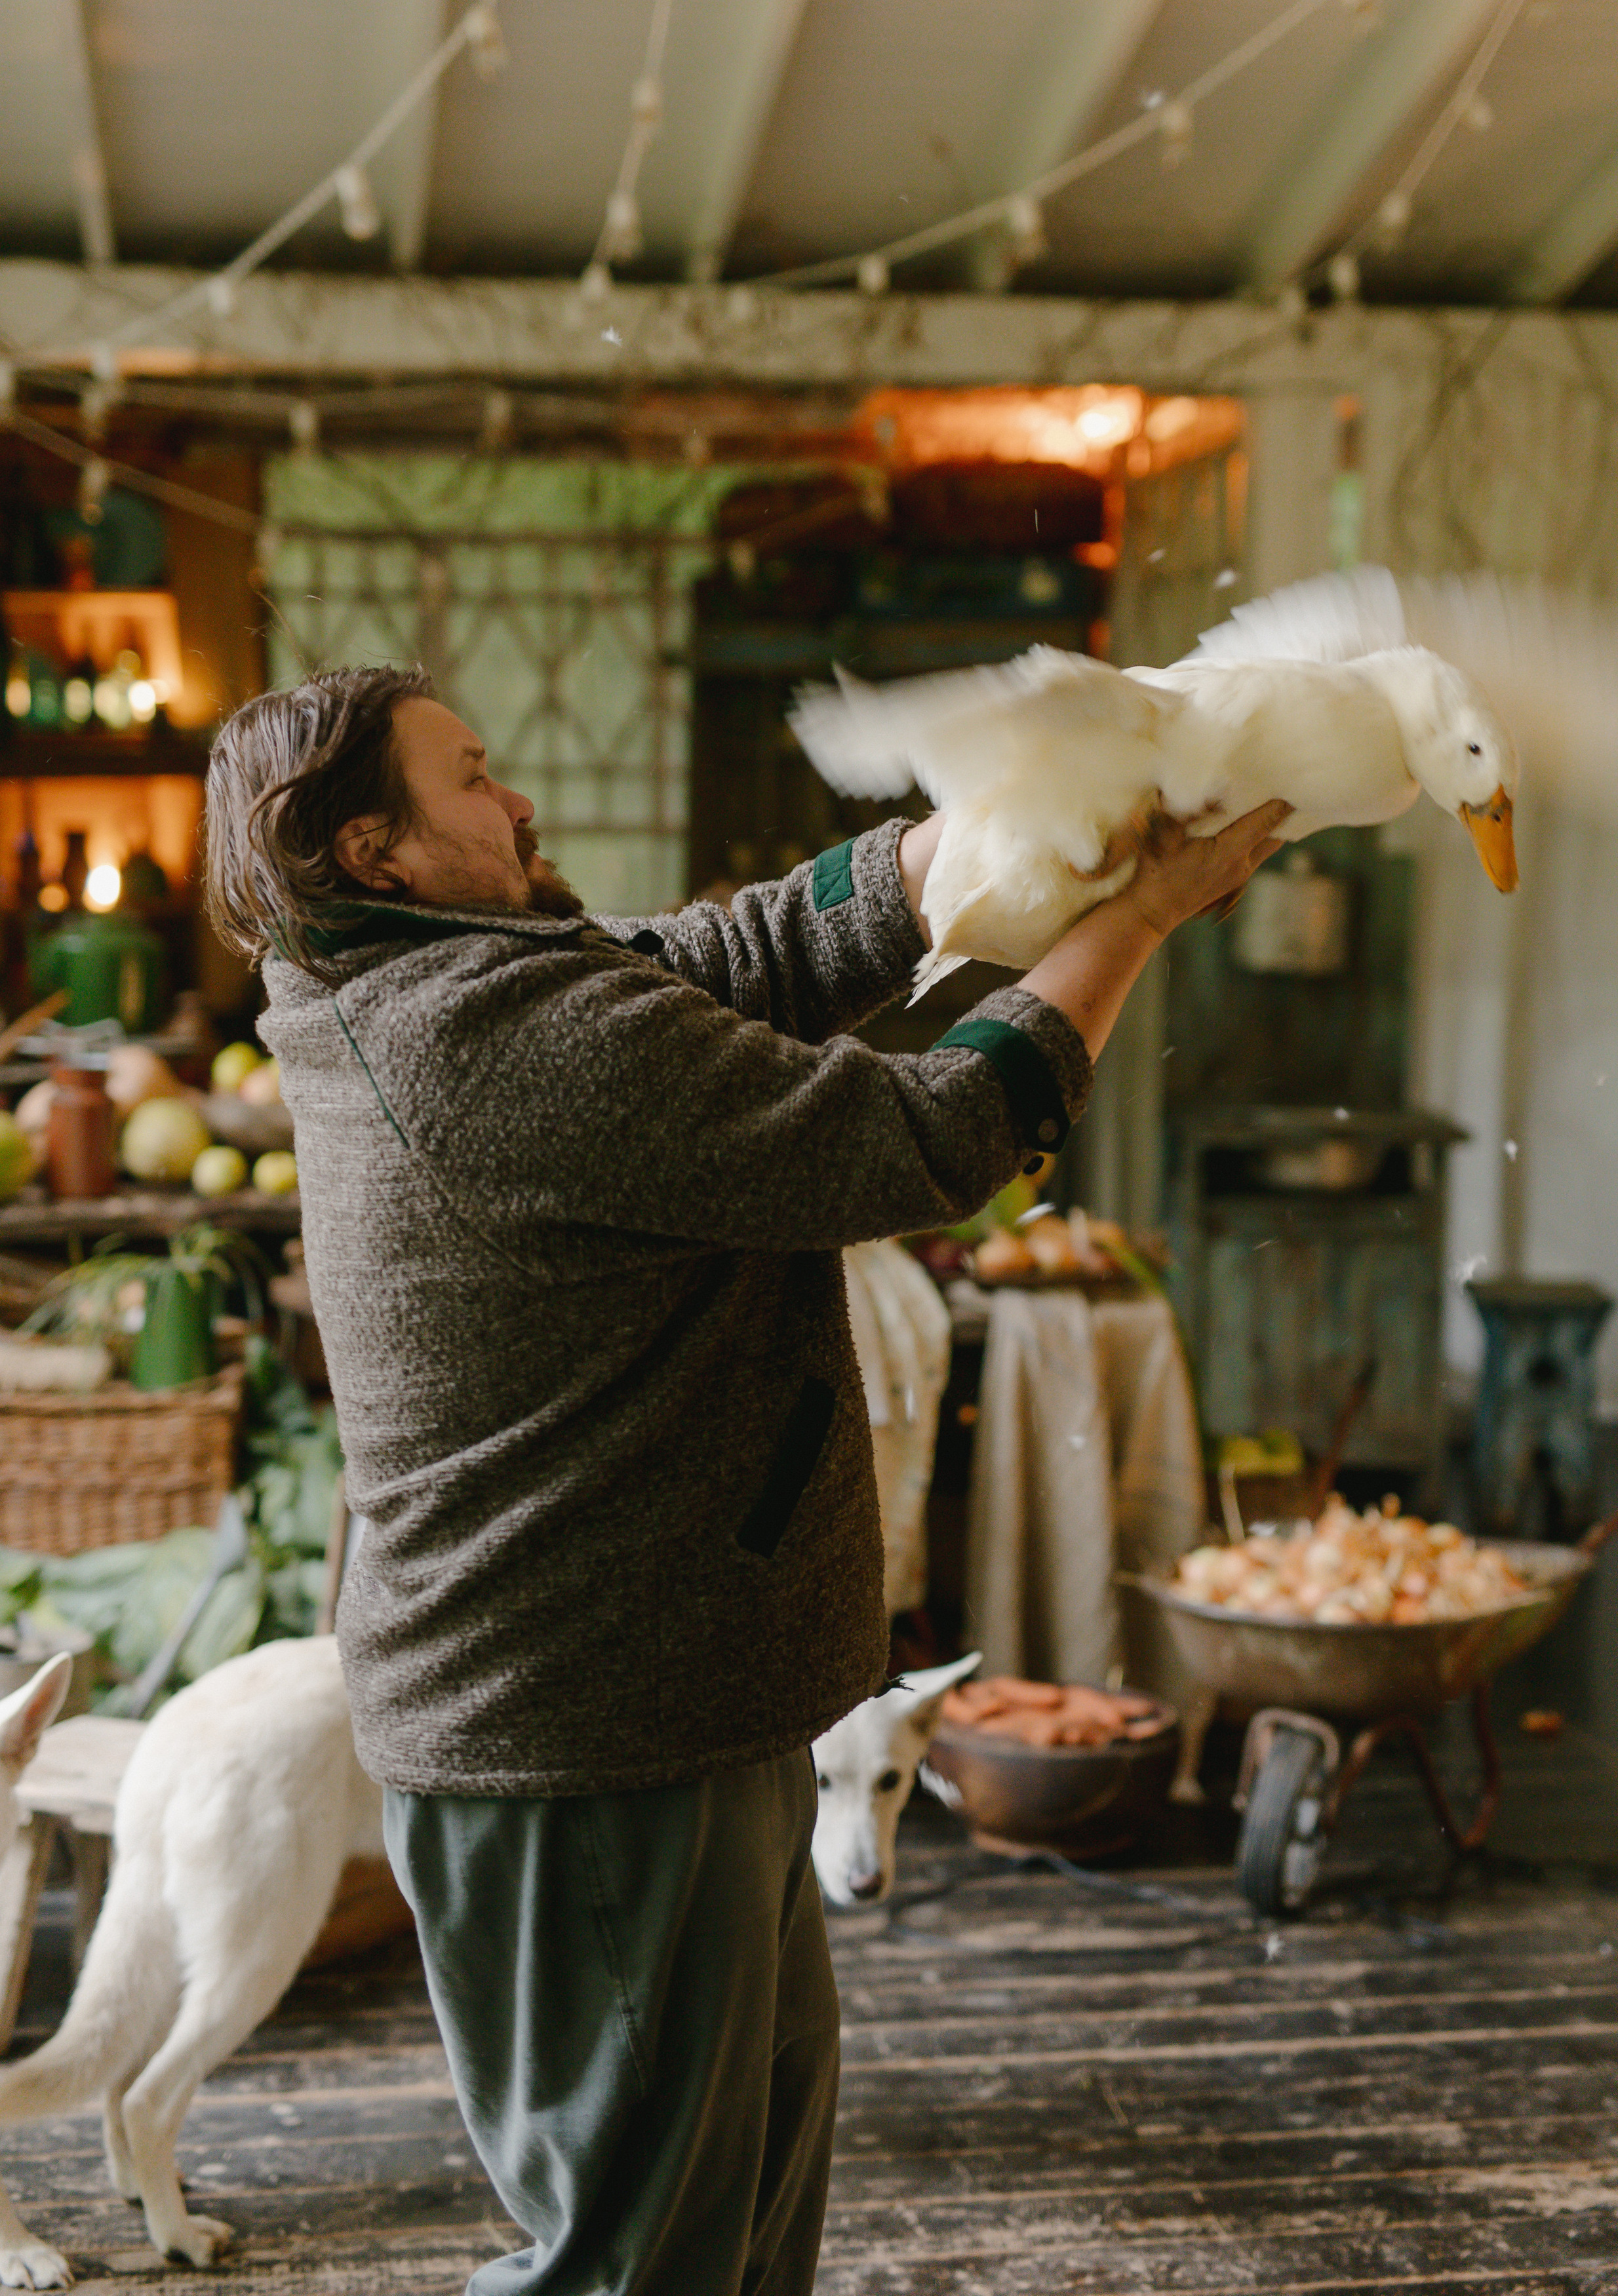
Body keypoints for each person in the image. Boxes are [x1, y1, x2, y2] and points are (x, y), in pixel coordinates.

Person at [203, 664, 1286, 2296]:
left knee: (741, 2212)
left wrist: (1017, 827)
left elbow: (731, 957)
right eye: (474, 780)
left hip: (657, 1704)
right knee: (633, 2259)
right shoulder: (485, 1039)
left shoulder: (458, 979)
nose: (518, 802)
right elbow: (919, 1140)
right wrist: (1133, 918)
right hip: (584, 1742)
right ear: (379, 853)